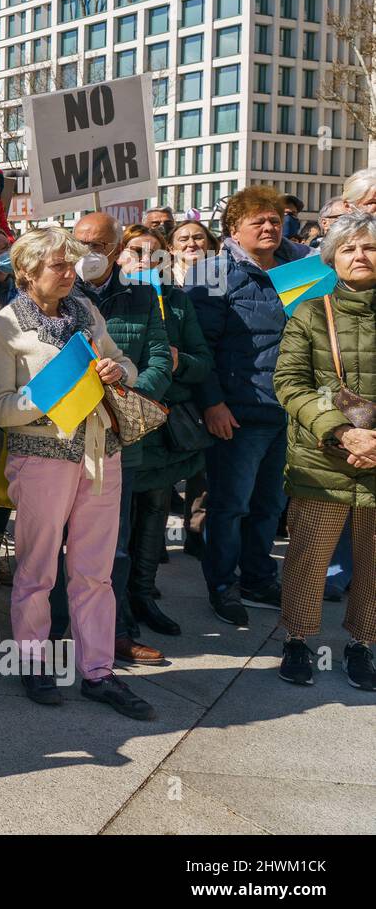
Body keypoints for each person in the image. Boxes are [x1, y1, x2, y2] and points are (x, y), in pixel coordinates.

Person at [0, 227, 154, 720]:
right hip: (41, 458)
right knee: (38, 569)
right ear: (26, 274)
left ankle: (98, 671)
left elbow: (125, 364)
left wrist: (117, 372)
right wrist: (50, 393)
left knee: (94, 572)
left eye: (68, 265)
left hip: (102, 455)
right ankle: (34, 663)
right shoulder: (4, 325)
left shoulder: (86, 311)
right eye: (57, 265)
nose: (68, 273)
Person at [49, 210, 172, 667]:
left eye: (98, 245)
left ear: (118, 250)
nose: (87, 254)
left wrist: (124, 391)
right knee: (54, 546)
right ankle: (54, 632)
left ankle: (112, 633)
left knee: (110, 549)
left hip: (117, 442)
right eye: (79, 243)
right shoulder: (56, 294)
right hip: (62, 442)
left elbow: (159, 359)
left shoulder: (143, 297)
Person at [187, 185, 311, 625]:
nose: (269, 226)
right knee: (230, 505)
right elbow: (201, 348)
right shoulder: (213, 273)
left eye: (275, 220)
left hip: (290, 413)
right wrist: (213, 404)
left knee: (270, 507)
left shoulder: (298, 269)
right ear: (233, 229)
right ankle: (223, 585)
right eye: (257, 220)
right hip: (238, 413)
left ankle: (258, 578)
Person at [273, 211, 376, 689]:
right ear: (332, 257)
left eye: (370, 246)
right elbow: (290, 383)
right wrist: (343, 432)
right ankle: (297, 640)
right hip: (321, 456)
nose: (361, 255)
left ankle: (361, 645)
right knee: (308, 557)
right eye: (350, 248)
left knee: (373, 561)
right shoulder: (311, 312)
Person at [118, 225, 214, 637]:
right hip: (120, 423)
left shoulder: (176, 302)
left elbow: (202, 360)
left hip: (163, 427)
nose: (145, 260)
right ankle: (115, 602)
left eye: (155, 254)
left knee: (155, 513)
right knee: (118, 520)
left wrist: (176, 363)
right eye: (136, 253)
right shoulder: (109, 299)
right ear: (119, 259)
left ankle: (143, 594)